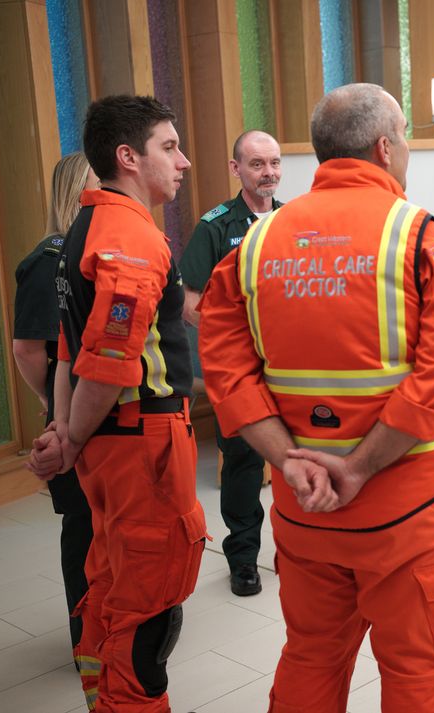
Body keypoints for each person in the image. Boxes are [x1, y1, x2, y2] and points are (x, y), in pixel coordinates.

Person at [197, 83, 434, 712]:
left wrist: (290, 460)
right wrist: (356, 467)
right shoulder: (422, 240)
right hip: (404, 513)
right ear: (386, 146)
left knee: (311, 656)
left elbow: (226, 374)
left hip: (304, 508)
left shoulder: (254, 244)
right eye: (404, 135)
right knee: (418, 672)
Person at [27, 94, 204, 713]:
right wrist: (70, 438)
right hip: (140, 445)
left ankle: (104, 701)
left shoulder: (87, 226)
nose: (182, 160)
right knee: (149, 608)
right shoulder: (129, 236)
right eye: (169, 146)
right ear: (128, 157)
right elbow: (106, 359)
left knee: (108, 585)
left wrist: (65, 429)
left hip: (113, 442)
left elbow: (71, 351)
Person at [180, 129, 283, 597]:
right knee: (241, 463)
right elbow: (190, 302)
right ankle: (243, 559)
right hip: (240, 368)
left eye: (274, 163)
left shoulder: (295, 220)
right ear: (236, 168)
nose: (268, 173)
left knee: (292, 458)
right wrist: (241, 341)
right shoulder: (215, 226)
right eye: (258, 164)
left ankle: (296, 550)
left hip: (289, 368)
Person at [12, 151, 97, 660]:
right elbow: (28, 348)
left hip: (99, 415)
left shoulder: (91, 251)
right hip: (71, 416)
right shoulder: (50, 260)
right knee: (84, 530)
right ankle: (86, 638)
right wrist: (54, 404)